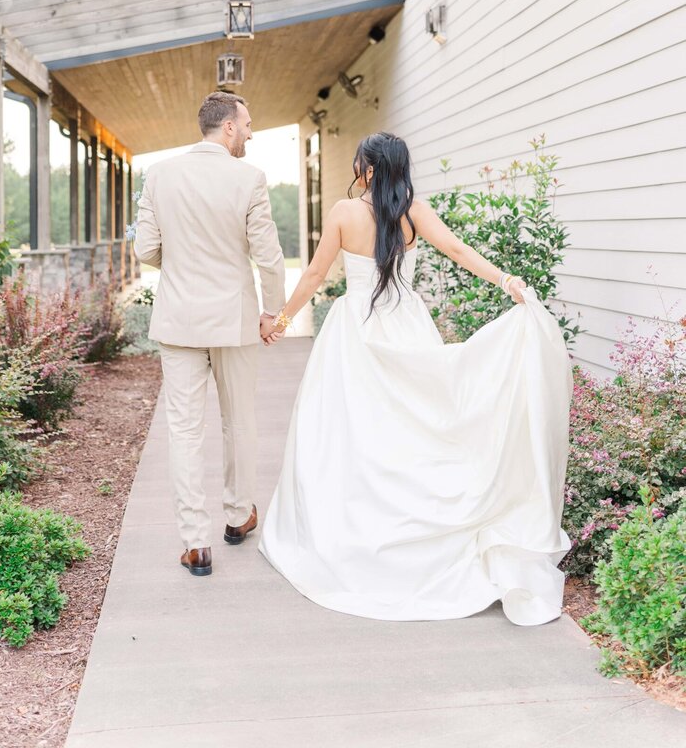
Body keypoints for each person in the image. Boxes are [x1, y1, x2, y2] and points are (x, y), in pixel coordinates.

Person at [258, 132, 573, 625]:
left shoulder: (344, 213)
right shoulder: (413, 210)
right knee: (417, 423)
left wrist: (279, 320)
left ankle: (356, 524)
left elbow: (315, 275)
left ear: (366, 166)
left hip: (356, 328)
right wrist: (505, 280)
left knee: (352, 428)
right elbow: (458, 251)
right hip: (405, 319)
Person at [134, 92, 285, 577]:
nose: (250, 133)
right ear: (227, 129)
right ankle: (239, 517)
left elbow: (145, 249)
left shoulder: (159, 175)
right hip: (235, 319)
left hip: (179, 318)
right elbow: (269, 255)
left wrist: (177, 265)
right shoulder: (249, 178)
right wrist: (272, 313)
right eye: (247, 124)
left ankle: (195, 543)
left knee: (183, 429)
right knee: (238, 421)